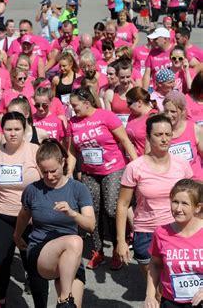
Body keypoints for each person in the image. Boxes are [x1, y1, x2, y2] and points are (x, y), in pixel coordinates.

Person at [15, 139, 95, 308]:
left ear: (63, 162)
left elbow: (90, 225)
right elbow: (23, 215)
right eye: (44, 172)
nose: (49, 176)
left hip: (72, 254)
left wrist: (72, 213)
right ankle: (64, 300)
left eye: (53, 171)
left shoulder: (78, 189)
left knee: (76, 305)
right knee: (75, 240)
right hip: (41, 251)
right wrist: (17, 236)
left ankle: (66, 301)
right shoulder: (32, 190)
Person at [67, 87, 138, 270]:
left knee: (112, 210)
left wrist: (138, 166)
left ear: (86, 102)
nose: (73, 109)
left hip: (113, 168)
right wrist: (68, 171)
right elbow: (72, 150)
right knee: (93, 211)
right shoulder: (73, 122)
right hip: (90, 171)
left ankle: (117, 246)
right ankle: (98, 251)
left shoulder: (106, 116)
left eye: (75, 105)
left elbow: (125, 141)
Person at [116, 114, 193, 277]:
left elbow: (192, 200)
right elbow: (123, 205)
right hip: (146, 233)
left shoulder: (182, 165)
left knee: (175, 287)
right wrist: (121, 241)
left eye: (168, 134)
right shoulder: (134, 168)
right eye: (159, 135)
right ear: (149, 138)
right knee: (155, 291)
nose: (164, 139)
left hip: (177, 230)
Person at [0, 112, 46, 307]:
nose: (12, 134)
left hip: (30, 218)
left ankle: (40, 304)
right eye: (8, 129)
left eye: (17, 129)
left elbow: (48, 183)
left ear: (25, 130)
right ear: (2, 131)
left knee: (34, 265)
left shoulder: (35, 151)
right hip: (1, 214)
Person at [144, 178, 203, 308]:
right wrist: (150, 295)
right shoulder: (161, 232)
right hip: (171, 302)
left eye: (185, 204)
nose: (178, 208)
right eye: (175, 202)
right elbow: (155, 264)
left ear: (198, 207)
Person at [163, 92, 203, 180]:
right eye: (166, 111)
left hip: (195, 184)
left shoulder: (195, 130)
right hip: (171, 184)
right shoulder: (160, 131)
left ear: (183, 111)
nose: (169, 115)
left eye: (173, 111)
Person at [125, 87, 159, 156]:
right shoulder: (132, 116)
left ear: (139, 102)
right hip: (132, 161)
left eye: (129, 103)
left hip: (147, 161)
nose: (127, 106)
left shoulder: (153, 116)